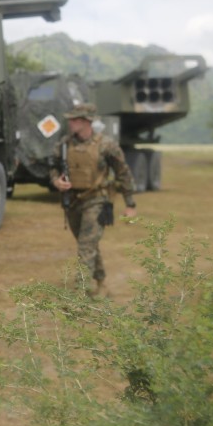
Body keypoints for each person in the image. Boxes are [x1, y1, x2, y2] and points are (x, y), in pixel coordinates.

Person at [50, 102, 137, 297]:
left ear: (86, 121)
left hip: (97, 201)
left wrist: (130, 204)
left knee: (85, 246)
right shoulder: (64, 144)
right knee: (87, 244)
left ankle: (79, 295)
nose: (70, 123)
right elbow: (53, 167)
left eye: (75, 119)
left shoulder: (107, 145)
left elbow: (123, 173)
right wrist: (56, 181)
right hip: (72, 201)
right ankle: (101, 283)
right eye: (71, 119)